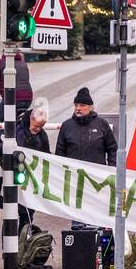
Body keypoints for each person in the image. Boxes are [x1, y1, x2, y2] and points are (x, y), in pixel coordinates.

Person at [55, 87, 117, 229]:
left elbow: (112, 148)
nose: (78, 108)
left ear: (91, 107)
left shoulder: (101, 124)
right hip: (74, 181)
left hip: (96, 181)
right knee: (77, 219)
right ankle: (79, 243)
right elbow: (60, 152)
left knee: (95, 217)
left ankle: (95, 243)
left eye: (82, 106)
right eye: (76, 105)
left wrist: (110, 171)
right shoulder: (67, 126)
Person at [14, 97, 50, 233]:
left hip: (32, 181)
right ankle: (12, 247)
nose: (38, 129)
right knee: (16, 215)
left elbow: (47, 154)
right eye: (36, 126)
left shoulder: (42, 135)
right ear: (31, 119)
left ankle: (24, 240)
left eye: (41, 127)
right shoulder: (18, 132)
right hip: (19, 180)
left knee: (28, 215)